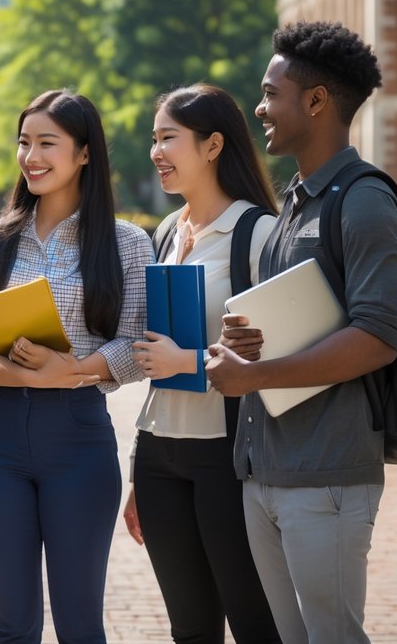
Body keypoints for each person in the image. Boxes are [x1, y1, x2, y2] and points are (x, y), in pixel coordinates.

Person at [208, 21, 397, 644]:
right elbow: (309, 319)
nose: (260, 108)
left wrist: (256, 375)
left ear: (317, 101)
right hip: (265, 466)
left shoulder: (366, 201)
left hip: (328, 474)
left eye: (271, 93)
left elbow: (379, 335)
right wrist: (250, 343)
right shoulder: (294, 202)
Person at [0, 89, 152, 644]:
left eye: (47, 143)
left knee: (79, 623)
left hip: (79, 440)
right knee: (13, 627)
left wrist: (76, 367)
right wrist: (30, 374)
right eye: (24, 142)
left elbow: (137, 343)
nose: (31, 156)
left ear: (84, 153)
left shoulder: (126, 243)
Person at [122, 84, 280, 643]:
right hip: (160, 456)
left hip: (228, 455)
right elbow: (157, 363)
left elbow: (283, 352)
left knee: (255, 623)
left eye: (168, 138)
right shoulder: (166, 234)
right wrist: (141, 464)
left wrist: (185, 358)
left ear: (213, 145)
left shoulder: (258, 235)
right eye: (153, 139)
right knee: (190, 630)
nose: (155, 151)